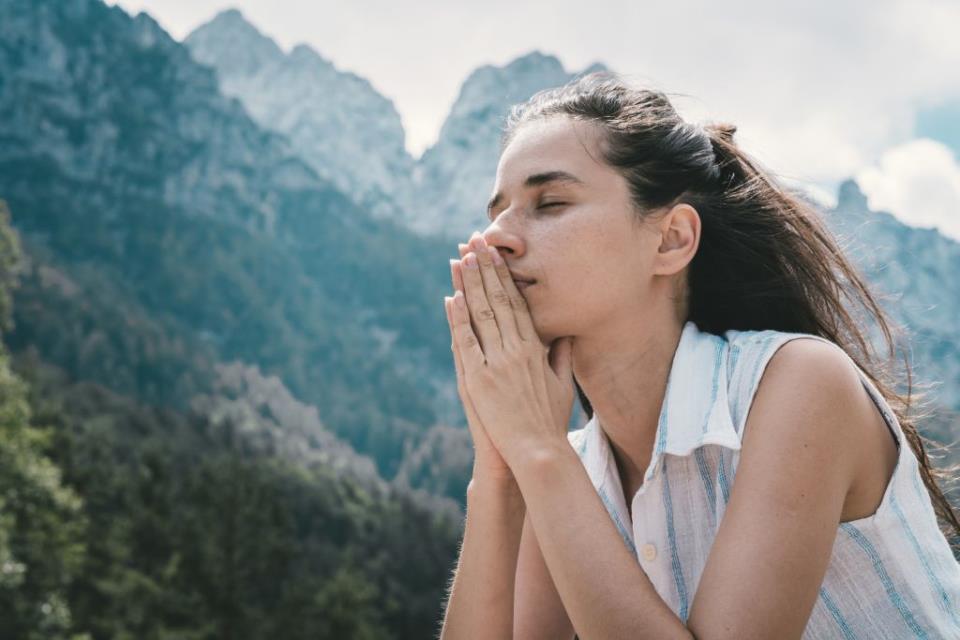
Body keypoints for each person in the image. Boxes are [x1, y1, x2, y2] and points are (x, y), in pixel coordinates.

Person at [438, 71, 960, 639]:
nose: (494, 239)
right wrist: (500, 466)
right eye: (497, 212)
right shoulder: (566, 467)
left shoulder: (798, 384)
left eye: (551, 202)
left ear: (671, 240)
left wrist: (536, 450)